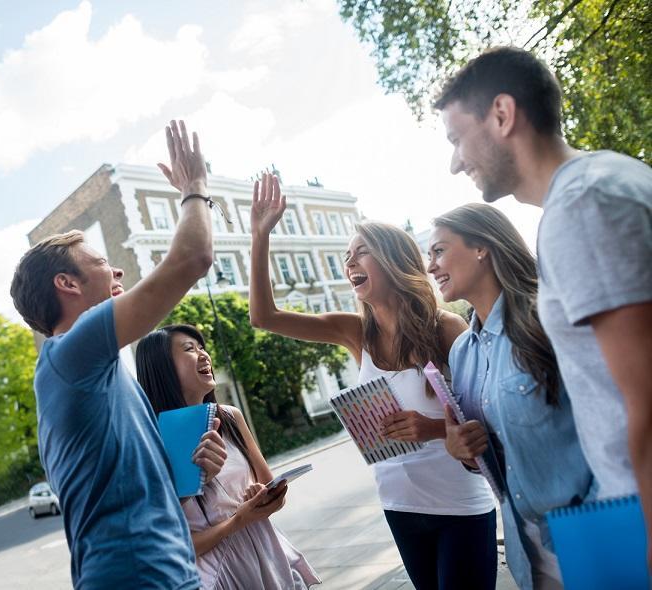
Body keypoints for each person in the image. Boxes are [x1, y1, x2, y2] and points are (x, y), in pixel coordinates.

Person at [433, 46, 652, 560]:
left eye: (457, 138)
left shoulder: (583, 206)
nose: (454, 161)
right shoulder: (600, 182)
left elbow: (646, 399)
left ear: (502, 115)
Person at [248, 173, 497, 589]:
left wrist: (432, 428)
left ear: (394, 260)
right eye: (347, 257)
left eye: (361, 253)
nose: (349, 264)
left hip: (459, 505)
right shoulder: (354, 332)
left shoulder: (446, 328)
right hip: (399, 505)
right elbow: (264, 317)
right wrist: (260, 235)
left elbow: (488, 419)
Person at [9, 121, 223, 588]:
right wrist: (194, 188)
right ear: (66, 284)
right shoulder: (70, 354)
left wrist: (193, 467)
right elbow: (193, 259)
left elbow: (138, 487)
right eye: (102, 261)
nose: (118, 267)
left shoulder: (92, 372)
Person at [427, 203, 595, 589]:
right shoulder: (461, 353)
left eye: (439, 250)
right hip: (528, 552)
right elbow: (491, 458)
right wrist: (462, 451)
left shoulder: (549, 318)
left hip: (593, 527)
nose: (431, 267)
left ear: (482, 247)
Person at [136, 324, 320, 590]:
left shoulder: (230, 417)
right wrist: (238, 520)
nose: (204, 355)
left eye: (202, 347)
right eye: (189, 349)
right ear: (161, 368)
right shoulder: (150, 441)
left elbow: (271, 490)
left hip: (268, 555)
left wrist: (262, 496)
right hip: (217, 577)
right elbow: (174, 546)